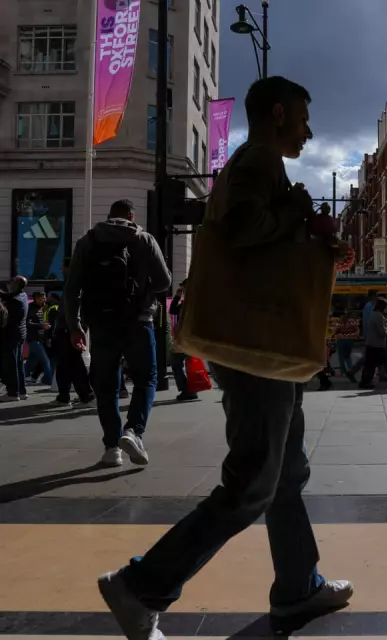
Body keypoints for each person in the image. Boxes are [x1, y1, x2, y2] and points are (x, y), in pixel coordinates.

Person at [95, 77, 353, 639]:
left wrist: (304, 226)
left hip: (266, 349)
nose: (309, 132)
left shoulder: (258, 163)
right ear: (279, 114)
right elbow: (242, 228)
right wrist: (299, 216)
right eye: (304, 120)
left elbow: (258, 235)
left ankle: (298, 587)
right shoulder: (259, 159)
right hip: (257, 346)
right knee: (253, 485)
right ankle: (141, 585)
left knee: (285, 474)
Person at [65, 198, 171, 468]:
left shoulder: (87, 242)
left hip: (101, 325)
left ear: (109, 215)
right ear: (132, 216)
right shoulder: (144, 239)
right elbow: (164, 282)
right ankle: (133, 431)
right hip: (139, 321)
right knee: (146, 378)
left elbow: (72, 288)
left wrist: (75, 326)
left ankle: (112, 448)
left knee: (106, 386)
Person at [52, 259, 94, 407]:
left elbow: (75, 309)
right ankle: (64, 396)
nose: (62, 271)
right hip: (67, 328)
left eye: (63, 268)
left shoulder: (76, 285)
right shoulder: (74, 284)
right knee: (64, 364)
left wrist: (76, 328)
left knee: (74, 364)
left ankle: (86, 395)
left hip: (69, 329)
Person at [0, 276, 29, 402]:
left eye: (11, 282)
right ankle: (21, 391)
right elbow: (8, 296)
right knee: (18, 363)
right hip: (20, 334)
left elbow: (4, 314)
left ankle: (13, 393)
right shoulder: (22, 295)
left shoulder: (15, 301)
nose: (8, 284)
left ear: (16, 284)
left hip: (12, 335)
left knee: (11, 365)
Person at [169, 281, 199, 402]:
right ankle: (190, 390)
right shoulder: (186, 303)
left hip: (188, 339)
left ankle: (188, 390)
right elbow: (172, 311)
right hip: (185, 338)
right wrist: (177, 297)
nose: (183, 291)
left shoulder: (193, 303)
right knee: (182, 362)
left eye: (184, 289)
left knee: (178, 362)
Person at [360, 297, 387, 389]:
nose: (386, 309)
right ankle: (367, 382)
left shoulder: (374, 314)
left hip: (372, 343)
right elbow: (382, 332)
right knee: (373, 364)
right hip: (376, 345)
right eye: (386, 306)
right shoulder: (378, 316)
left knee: (370, 365)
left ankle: (366, 381)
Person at [24, 291, 53, 386]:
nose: (44, 300)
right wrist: (42, 325)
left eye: (44, 298)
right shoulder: (31, 308)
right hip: (33, 339)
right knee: (45, 360)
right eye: (41, 298)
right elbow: (28, 323)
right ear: (35, 298)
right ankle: (49, 380)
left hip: (40, 338)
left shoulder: (43, 307)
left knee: (32, 359)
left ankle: (25, 376)